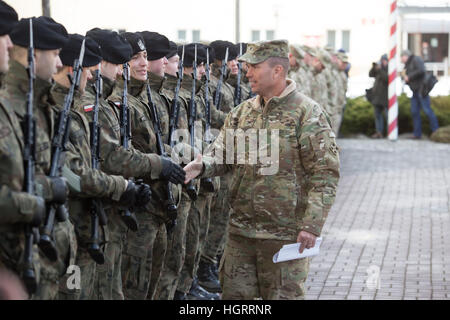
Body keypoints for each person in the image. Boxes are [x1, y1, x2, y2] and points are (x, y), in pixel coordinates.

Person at [184, 40, 340, 300]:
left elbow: (325, 174)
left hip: (285, 237)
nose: (247, 72)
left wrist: (311, 226)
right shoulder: (242, 113)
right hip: (240, 235)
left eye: (254, 66)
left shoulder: (307, 114)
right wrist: (201, 166)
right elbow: (223, 154)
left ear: (277, 70)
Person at [401, 49, 439, 139]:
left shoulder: (416, 59)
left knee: (427, 110)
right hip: (414, 91)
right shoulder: (408, 64)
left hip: (421, 90)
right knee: (414, 112)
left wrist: (409, 77)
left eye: (402, 57)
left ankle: (436, 131)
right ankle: (417, 134)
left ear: (406, 56)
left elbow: (421, 70)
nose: (401, 59)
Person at [368, 54, 388, 139]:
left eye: (384, 60)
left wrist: (380, 70)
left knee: (388, 116)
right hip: (377, 97)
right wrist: (374, 67)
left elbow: (387, 79)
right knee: (377, 115)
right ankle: (379, 132)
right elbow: (370, 74)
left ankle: (390, 132)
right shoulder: (379, 69)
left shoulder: (389, 69)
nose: (383, 62)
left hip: (385, 98)